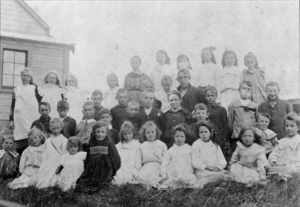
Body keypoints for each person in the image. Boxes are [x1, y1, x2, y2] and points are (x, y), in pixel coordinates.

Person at [76, 122, 120, 192]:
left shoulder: (109, 144)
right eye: (98, 132)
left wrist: (112, 172)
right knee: (81, 184)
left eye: (103, 132)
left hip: (105, 171)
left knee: (102, 185)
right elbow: (88, 159)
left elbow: (116, 160)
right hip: (92, 171)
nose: (100, 134)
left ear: (106, 133)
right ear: (94, 133)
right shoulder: (91, 144)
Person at [9, 68, 42, 154]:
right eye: (24, 75)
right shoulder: (16, 89)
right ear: (21, 76)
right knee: (19, 136)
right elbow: (13, 105)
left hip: (31, 115)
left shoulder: (35, 88)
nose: (25, 77)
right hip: (19, 117)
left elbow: (41, 102)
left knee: (32, 135)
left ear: (31, 77)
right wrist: (11, 119)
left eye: (28, 76)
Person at [192, 121, 227, 188]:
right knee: (222, 175)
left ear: (210, 133)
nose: (203, 134)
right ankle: (202, 183)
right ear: (198, 134)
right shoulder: (196, 144)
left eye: (206, 132)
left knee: (224, 174)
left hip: (214, 170)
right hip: (203, 171)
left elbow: (222, 159)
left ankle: (212, 183)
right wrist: (207, 167)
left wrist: (218, 167)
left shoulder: (214, 144)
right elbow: (195, 162)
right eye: (201, 132)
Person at [160, 124, 196, 189]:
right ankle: (175, 184)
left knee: (191, 178)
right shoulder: (170, 151)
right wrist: (164, 175)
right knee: (172, 181)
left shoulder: (190, 149)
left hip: (187, 174)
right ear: (174, 137)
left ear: (185, 137)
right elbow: (164, 164)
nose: (179, 138)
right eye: (177, 136)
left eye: (182, 136)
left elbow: (195, 162)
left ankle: (184, 185)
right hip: (174, 175)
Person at [35, 118, 68, 188]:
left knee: (53, 177)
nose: (56, 130)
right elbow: (45, 153)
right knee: (43, 177)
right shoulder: (48, 140)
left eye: (57, 128)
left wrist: (60, 165)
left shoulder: (64, 140)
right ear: (50, 128)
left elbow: (65, 154)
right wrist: (43, 163)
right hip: (48, 162)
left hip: (57, 162)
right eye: (53, 128)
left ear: (61, 128)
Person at [268, 113, 300, 181]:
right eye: (286, 126)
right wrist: (273, 161)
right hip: (281, 166)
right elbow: (274, 153)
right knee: (271, 170)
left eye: (292, 126)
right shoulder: (282, 141)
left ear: (298, 127)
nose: (288, 128)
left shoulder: (298, 140)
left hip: (294, 166)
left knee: (291, 170)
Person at [136, 121, 167, 186]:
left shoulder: (162, 145)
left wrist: (163, 172)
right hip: (146, 168)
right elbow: (138, 161)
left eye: (153, 132)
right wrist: (137, 172)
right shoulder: (142, 146)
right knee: (144, 181)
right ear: (144, 134)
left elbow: (165, 160)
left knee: (159, 181)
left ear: (156, 133)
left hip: (158, 167)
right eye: (148, 132)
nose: (150, 134)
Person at [205, 85, 229, 152]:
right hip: (205, 136)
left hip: (218, 136)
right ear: (205, 97)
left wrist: (224, 138)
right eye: (208, 96)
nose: (210, 98)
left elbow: (225, 125)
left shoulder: (221, 109)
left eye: (212, 96)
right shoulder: (203, 108)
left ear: (216, 96)